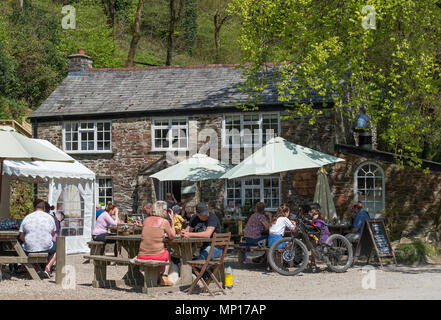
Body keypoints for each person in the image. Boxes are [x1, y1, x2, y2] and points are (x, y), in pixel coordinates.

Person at [136, 200, 175, 286]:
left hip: (142, 255)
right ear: (162, 210)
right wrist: (172, 221)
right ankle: (164, 277)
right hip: (155, 255)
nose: (166, 212)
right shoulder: (164, 222)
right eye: (165, 210)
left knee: (158, 251)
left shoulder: (145, 220)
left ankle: (157, 278)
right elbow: (172, 236)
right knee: (167, 253)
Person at [19, 199, 57, 278]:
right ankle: (48, 268)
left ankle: (35, 267)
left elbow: (21, 237)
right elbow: (53, 234)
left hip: (29, 248)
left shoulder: (27, 218)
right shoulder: (50, 218)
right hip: (46, 247)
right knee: (58, 248)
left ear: (34, 207)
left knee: (20, 246)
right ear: (44, 207)